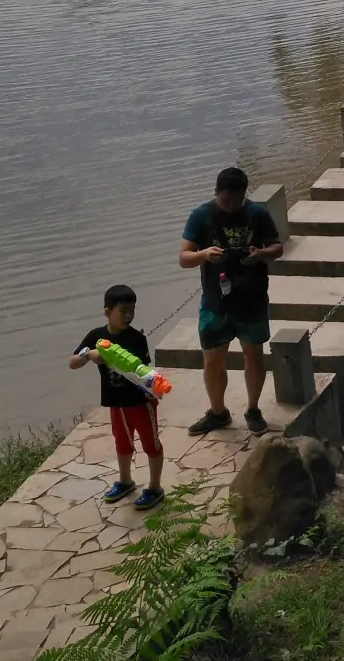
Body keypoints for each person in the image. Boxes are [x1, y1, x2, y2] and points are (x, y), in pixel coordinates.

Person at [179, 166, 284, 436]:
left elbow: (277, 247)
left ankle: (253, 409)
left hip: (253, 298)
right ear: (216, 193)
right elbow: (183, 258)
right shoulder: (201, 215)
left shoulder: (257, 213)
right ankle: (218, 412)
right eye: (227, 201)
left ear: (245, 195)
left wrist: (260, 253)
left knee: (254, 355)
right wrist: (204, 254)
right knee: (213, 359)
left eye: (238, 201)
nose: (232, 206)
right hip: (216, 300)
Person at [70, 283, 165, 510]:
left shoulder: (136, 339)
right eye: (123, 312)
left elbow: (144, 372)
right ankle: (125, 481)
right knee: (122, 444)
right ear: (107, 312)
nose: (129, 316)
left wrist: (155, 390)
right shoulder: (96, 336)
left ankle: (155, 487)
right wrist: (89, 355)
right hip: (115, 403)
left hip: (140, 403)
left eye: (132, 311)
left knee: (151, 444)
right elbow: (72, 362)